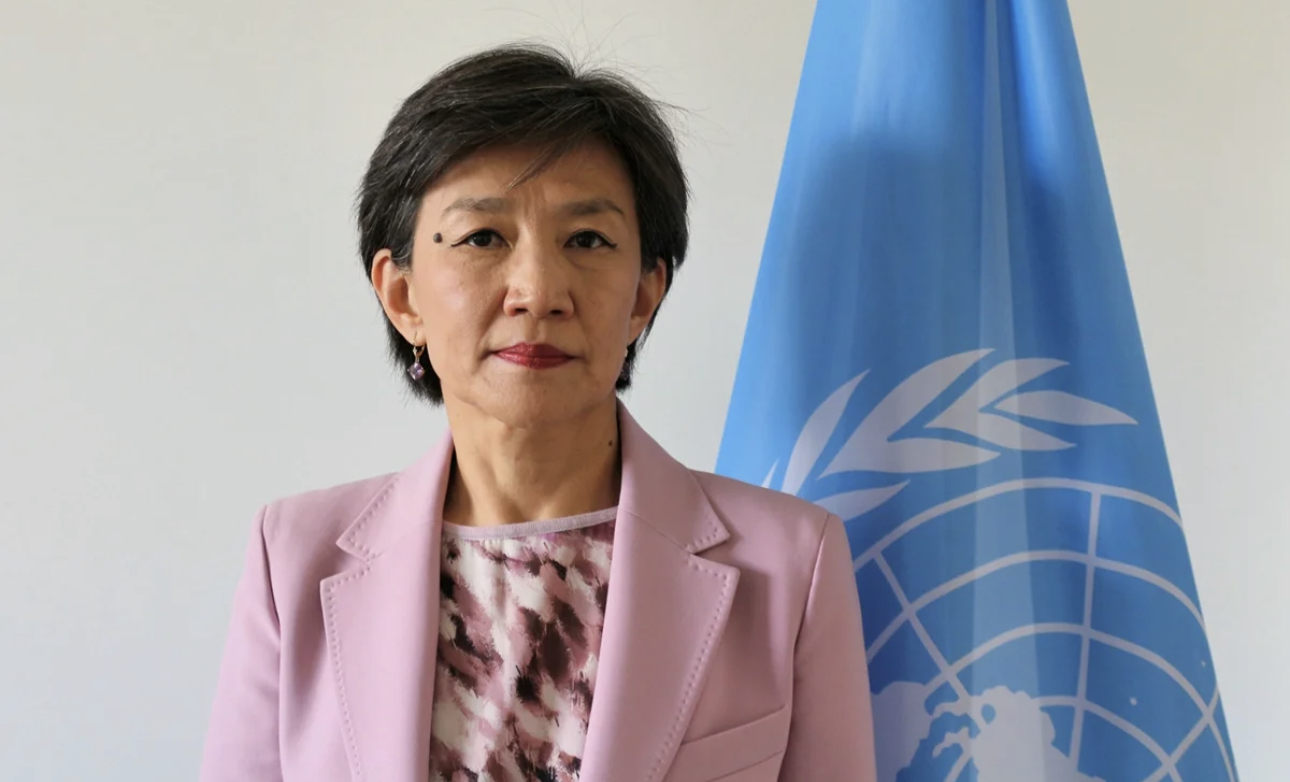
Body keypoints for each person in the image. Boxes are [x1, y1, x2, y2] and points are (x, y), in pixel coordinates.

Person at [199, 43, 877, 782]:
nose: (538, 290)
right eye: (483, 237)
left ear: (644, 294)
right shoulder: (294, 559)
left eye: (587, 240)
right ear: (402, 295)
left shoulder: (790, 564)